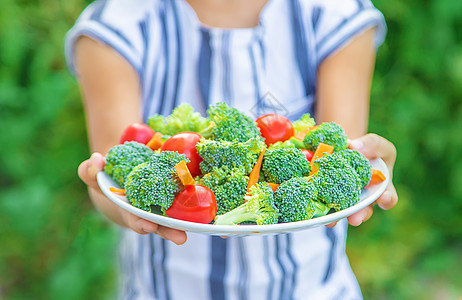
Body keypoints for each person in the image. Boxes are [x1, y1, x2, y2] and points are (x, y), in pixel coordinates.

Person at [68, 0, 398, 299]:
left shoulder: (334, 14)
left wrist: (365, 165)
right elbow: (113, 176)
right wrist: (121, 203)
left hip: (314, 287)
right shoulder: (114, 26)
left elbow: (339, 154)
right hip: (165, 288)